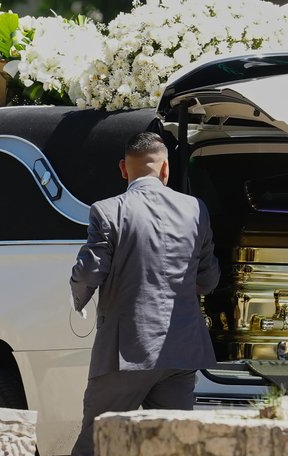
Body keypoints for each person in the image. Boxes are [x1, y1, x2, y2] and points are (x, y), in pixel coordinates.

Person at [69, 132, 220, 456]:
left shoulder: (108, 211)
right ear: (165, 170)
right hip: (180, 351)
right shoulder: (196, 209)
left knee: (98, 443)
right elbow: (208, 277)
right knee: (173, 447)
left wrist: (78, 299)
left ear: (124, 169)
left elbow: (89, 272)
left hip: (127, 351)